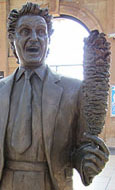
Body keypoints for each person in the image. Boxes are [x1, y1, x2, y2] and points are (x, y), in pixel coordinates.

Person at [0, 2, 109, 190]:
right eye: (25, 31)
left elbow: (81, 146)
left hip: (52, 184)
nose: (34, 38)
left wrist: (88, 161)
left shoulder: (73, 90)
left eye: (41, 32)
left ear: (48, 40)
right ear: (12, 39)